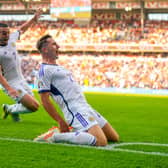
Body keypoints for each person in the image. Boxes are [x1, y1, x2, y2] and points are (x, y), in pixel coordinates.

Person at [34, 34, 119, 146]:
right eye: (54, 44)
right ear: (45, 49)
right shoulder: (44, 71)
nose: (58, 46)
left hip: (85, 106)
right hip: (75, 110)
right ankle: (55, 136)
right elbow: (45, 100)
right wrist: (60, 121)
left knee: (114, 137)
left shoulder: (59, 67)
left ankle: (77, 132)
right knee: (100, 141)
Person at [0, 9, 42, 122]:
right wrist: (9, 88)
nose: (7, 35)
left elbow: (22, 29)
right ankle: (10, 109)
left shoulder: (11, 39)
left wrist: (34, 19)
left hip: (21, 79)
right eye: (4, 33)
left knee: (33, 106)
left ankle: (10, 109)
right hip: (11, 83)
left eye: (8, 33)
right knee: (34, 106)